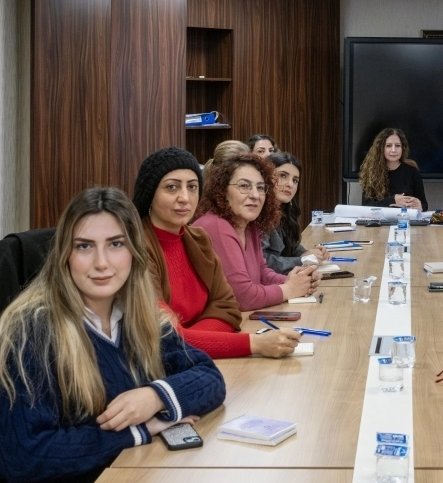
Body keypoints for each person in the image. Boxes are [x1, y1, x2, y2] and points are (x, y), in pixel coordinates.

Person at [0, 187, 226, 483]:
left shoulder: (137, 316)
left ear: (134, 253)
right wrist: (141, 430)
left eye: (116, 244)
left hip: (126, 482)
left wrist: (154, 397)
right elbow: (26, 458)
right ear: (65, 254)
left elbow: (210, 378)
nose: (101, 263)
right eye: (84, 246)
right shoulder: (29, 331)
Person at [133, 147, 300, 359]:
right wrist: (253, 343)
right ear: (150, 193)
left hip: (195, 359)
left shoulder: (198, 239)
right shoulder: (136, 249)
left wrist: (191, 342)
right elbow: (164, 339)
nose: (184, 197)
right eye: (172, 187)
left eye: (192, 187)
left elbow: (229, 309)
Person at [195, 154, 320, 309]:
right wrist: (289, 289)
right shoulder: (216, 226)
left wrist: (298, 280)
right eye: (244, 186)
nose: (255, 195)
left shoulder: (250, 225)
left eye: (260, 187)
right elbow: (243, 297)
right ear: (223, 191)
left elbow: (262, 273)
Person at [261, 151, 329, 274]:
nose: (290, 184)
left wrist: (310, 253)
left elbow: (290, 245)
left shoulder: (283, 211)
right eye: (283, 176)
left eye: (295, 180)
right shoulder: (258, 214)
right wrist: (302, 260)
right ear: (266, 177)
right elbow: (263, 261)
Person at [359, 128, 427, 210]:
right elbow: (366, 205)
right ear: (381, 148)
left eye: (397, 145)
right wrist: (393, 200)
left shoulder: (413, 172)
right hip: (380, 217)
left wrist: (420, 206)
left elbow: (424, 205)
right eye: (388, 146)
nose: (394, 150)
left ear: (402, 148)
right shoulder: (371, 172)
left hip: (405, 217)